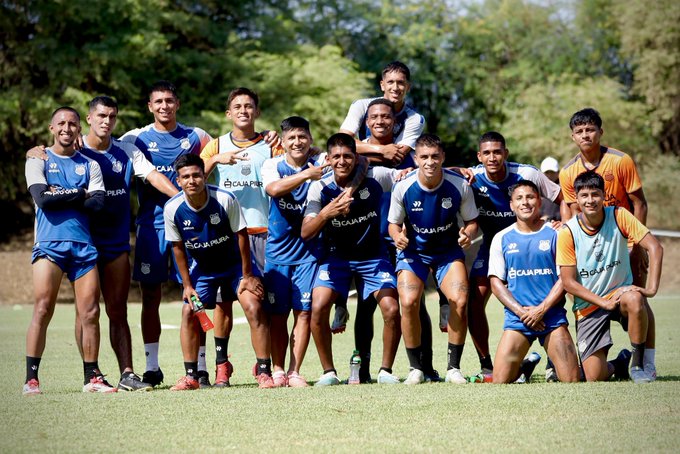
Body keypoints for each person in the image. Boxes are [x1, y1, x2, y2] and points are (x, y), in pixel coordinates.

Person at [120, 81, 212, 387]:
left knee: (196, 295)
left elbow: (227, 149)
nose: (164, 106)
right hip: (153, 227)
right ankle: (152, 367)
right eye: (158, 101)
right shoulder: (134, 138)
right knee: (150, 296)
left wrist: (268, 138)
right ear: (150, 106)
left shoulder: (196, 136)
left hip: (192, 226)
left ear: (177, 104)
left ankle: (200, 367)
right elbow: (100, 147)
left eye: (169, 101)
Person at [559, 107, 657, 379]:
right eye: (579, 131)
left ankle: (645, 363)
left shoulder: (620, 161)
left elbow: (639, 203)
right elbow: (572, 212)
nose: (585, 135)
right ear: (573, 137)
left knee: (638, 300)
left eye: (590, 130)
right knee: (594, 374)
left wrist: (637, 247)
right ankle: (613, 358)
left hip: (624, 243)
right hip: (591, 251)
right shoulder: (567, 172)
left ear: (600, 132)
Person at [23, 106, 114, 394]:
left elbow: (97, 205)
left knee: (90, 313)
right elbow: (43, 200)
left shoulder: (90, 165)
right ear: (52, 128)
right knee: (43, 308)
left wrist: (59, 192)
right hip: (49, 244)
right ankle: (31, 380)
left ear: (79, 128)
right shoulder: (37, 159)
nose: (66, 128)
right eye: (61, 123)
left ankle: (92, 378)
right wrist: (78, 192)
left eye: (72, 124)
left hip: (83, 246)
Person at [164, 154, 273, 390]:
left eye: (196, 175)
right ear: (178, 181)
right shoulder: (172, 208)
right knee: (189, 311)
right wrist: (187, 286)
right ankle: (191, 376)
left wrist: (247, 275)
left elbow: (241, 235)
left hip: (235, 266)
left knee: (254, 306)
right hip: (204, 270)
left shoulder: (224, 198)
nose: (192, 180)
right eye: (186, 177)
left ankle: (264, 372)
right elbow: (177, 247)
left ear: (204, 176)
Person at [302, 133, 402, 386]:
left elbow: (410, 176)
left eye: (347, 156)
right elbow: (306, 232)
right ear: (328, 159)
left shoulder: (377, 177)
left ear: (356, 158)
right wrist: (327, 213)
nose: (342, 161)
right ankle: (329, 372)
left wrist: (459, 171)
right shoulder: (319, 187)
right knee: (318, 307)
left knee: (391, 309)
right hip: (335, 259)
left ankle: (385, 371)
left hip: (373, 257)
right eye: (336, 156)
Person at [467, 132, 562, 381]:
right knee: (473, 299)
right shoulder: (472, 176)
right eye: (487, 153)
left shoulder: (527, 174)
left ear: (506, 154)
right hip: (494, 245)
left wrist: (567, 225)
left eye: (497, 152)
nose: (492, 157)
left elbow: (564, 198)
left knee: (566, 287)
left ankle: (557, 358)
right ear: (479, 156)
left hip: (532, 243)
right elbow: (444, 173)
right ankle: (487, 365)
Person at [388, 133, 479, 385]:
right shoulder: (403, 186)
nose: (430, 162)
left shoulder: (459, 184)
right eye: (424, 157)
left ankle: (453, 368)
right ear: (416, 159)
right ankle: (415, 368)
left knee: (460, 300)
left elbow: (472, 221)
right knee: (408, 302)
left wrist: (468, 234)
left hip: (447, 253)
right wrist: (397, 237)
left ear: (443, 157)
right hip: (413, 254)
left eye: (435, 156)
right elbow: (393, 224)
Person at [488, 180, 579, 383]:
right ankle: (525, 367)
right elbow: (496, 283)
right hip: (518, 320)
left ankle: (615, 364)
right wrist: (523, 313)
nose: (525, 202)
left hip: (551, 318)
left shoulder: (557, 234)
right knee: (500, 380)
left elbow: (565, 279)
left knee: (571, 379)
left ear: (539, 202)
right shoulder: (501, 238)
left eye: (530, 197)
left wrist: (541, 309)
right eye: (519, 198)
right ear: (511, 205)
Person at [261, 116, 326, 387]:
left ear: (310, 139)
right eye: (291, 138)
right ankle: (277, 370)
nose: (297, 142)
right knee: (277, 315)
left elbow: (353, 160)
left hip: (309, 254)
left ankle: (294, 371)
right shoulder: (273, 165)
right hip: (277, 253)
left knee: (304, 313)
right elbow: (274, 189)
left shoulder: (321, 162)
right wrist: (307, 175)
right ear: (283, 142)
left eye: (302, 137)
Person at [200, 87, 283, 275]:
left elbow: (293, 172)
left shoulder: (272, 146)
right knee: (227, 293)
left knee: (263, 291)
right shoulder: (216, 146)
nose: (243, 111)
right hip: (226, 233)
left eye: (248, 106)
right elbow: (194, 181)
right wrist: (215, 160)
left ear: (257, 112)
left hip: (264, 231)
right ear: (228, 113)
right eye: (237, 107)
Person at [340, 61, 425, 173]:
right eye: (390, 82)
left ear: (408, 87)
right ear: (382, 85)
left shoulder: (415, 118)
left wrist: (353, 154)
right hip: (364, 167)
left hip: (397, 170)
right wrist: (382, 150)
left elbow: (395, 157)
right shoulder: (361, 106)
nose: (395, 87)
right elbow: (341, 141)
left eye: (400, 83)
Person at [539, 157, 562, 222]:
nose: (549, 175)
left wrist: (550, 217)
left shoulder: (563, 190)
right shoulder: (537, 189)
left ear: (558, 172)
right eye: (547, 172)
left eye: (552, 172)